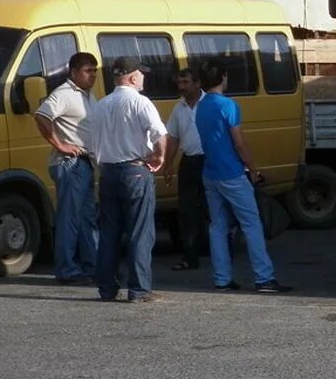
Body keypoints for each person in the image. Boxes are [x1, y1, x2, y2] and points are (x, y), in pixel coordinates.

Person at [194, 58, 291, 294]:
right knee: (251, 223)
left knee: (218, 226)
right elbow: (239, 143)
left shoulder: (201, 106)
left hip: (210, 172)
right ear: (223, 77)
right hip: (232, 172)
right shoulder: (228, 106)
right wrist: (253, 168)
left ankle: (222, 278)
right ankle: (264, 277)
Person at [89, 56, 167, 303]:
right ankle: (139, 289)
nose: (143, 78)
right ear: (133, 77)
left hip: (108, 172)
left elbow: (92, 144)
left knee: (109, 233)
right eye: (141, 74)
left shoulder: (100, 105)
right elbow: (159, 133)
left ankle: (106, 288)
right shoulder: (140, 102)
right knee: (140, 233)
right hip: (135, 171)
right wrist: (160, 156)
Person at [33, 51, 98, 285]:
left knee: (87, 218)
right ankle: (67, 270)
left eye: (95, 71)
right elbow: (42, 116)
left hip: (86, 163)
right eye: (88, 71)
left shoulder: (88, 95)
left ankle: (92, 266)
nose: (93, 75)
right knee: (69, 219)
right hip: (70, 164)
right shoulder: (64, 93)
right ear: (74, 72)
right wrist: (60, 144)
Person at [162, 68, 206, 271]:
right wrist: (168, 163)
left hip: (209, 161)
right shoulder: (179, 108)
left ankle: (221, 254)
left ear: (197, 83)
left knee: (213, 209)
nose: (182, 87)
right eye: (179, 83)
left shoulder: (210, 104)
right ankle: (190, 256)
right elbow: (173, 137)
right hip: (189, 161)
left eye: (186, 82)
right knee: (187, 211)